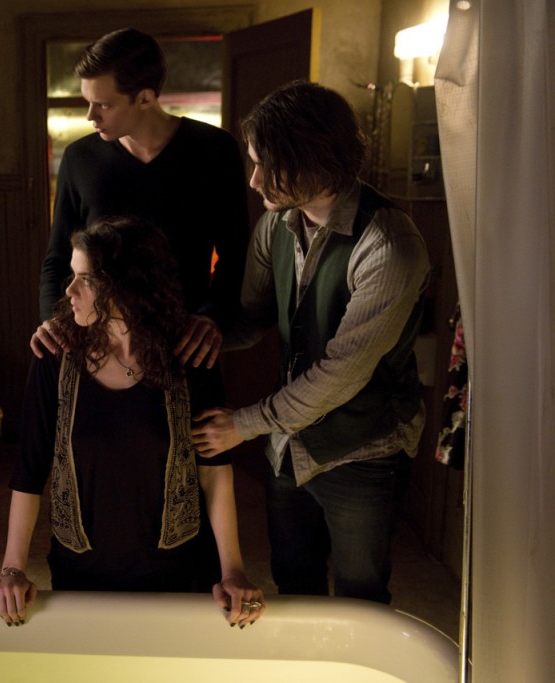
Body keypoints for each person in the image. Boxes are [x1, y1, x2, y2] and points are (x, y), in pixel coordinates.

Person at [191, 81, 430, 604]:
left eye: (265, 165)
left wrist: (244, 424)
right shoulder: (274, 226)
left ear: (311, 159)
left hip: (364, 446)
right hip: (289, 445)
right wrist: (196, 336)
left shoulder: (389, 245)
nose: (253, 180)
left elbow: (343, 372)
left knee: (361, 599)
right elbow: (253, 318)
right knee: (294, 587)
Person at [0, 216, 264, 627]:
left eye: (85, 279)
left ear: (125, 284)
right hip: (82, 571)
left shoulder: (189, 355)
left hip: (180, 571)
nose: (69, 291)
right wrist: (12, 568)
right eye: (71, 276)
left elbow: (213, 469)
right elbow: (29, 471)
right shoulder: (55, 355)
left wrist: (233, 570)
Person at [31, 28, 249, 376]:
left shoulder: (214, 150)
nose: (90, 116)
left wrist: (212, 316)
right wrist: (52, 320)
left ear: (145, 98)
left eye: (104, 104)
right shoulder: (80, 158)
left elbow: (236, 250)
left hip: (185, 343)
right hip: (100, 344)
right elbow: (57, 256)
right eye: (88, 102)